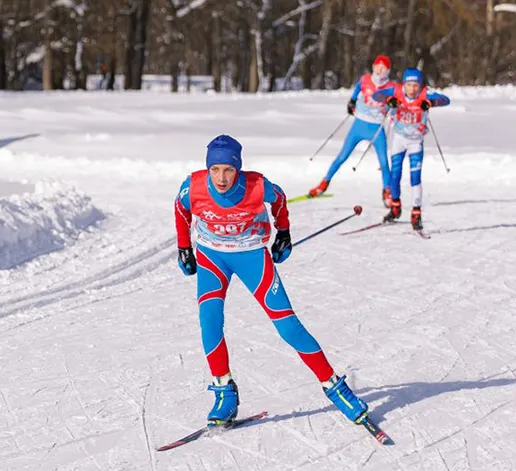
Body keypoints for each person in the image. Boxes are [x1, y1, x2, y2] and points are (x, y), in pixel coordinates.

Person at [176, 135, 369, 427]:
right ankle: (224, 393)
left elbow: (279, 200)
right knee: (210, 322)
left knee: (288, 326)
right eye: (215, 169)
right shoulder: (194, 186)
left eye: (228, 169)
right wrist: (184, 247)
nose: (222, 178)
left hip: (252, 255)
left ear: (238, 168)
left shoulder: (257, 186)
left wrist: (284, 233)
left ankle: (334, 386)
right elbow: (181, 210)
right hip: (211, 257)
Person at [309, 55, 396, 206]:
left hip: (376, 128)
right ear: (373, 67)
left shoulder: (391, 87)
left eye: (383, 68)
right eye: (377, 66)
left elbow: (395, 105)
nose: (379, 70)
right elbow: (357, 89)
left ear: (388, 71)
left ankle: (386, 192)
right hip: (359, 125)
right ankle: (323, 184)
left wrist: (393, 109)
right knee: (342, 156)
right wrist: (352, 102)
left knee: (383, 162)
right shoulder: (365, 79)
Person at [372, 68, 450, 231]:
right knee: (395, 175)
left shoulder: (425, 94)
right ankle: (395, 207)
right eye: (409, 85)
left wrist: (431, 103)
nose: (412, 89)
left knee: (415, 177)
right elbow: (376, 95)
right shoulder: (397, 91)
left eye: (415, 85)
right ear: (404, 84)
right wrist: (389, 100)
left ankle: (416, 213)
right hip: (399, 139)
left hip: (415, 142)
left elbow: (445, 100)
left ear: (420, 85)